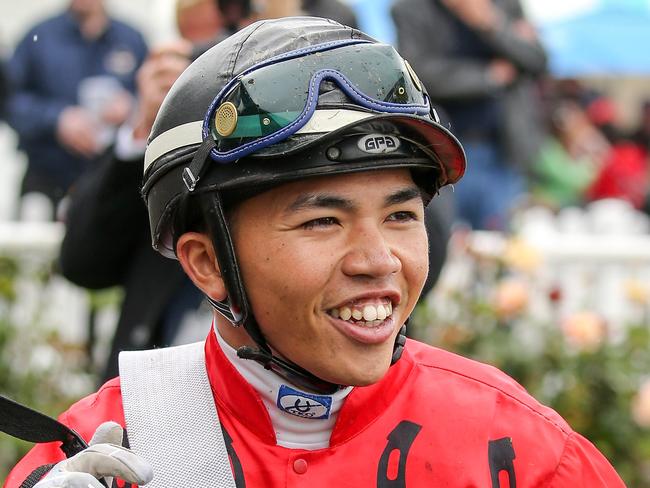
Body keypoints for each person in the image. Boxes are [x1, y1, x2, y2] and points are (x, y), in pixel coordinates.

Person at [6, 17, 623, 488]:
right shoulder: (93, 454)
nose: (379, 260)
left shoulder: (524, 449)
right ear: (206, 263)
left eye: (402, 215)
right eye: (323, 221)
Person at [59, 0, 240, 383]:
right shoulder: (175, 155)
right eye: (204, 49)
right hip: (154, 395)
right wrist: (148, 128)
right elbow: (82, 261)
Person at [392, 0, 547, 230]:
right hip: (440, 149)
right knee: (444, 241)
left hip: (501, 150)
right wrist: (488, 77)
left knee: (497, 246)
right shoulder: (411, 9)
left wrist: (491, 24)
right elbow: (416, 75)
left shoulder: (504, 6)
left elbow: (536, 60)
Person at [5, 0, 147, 218]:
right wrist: (57, 119)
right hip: (48, 177)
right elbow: (9, 102)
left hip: (113, 179)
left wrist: (132, 108)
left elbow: (155, 100)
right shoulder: (38, 37)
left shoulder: (132, 39)